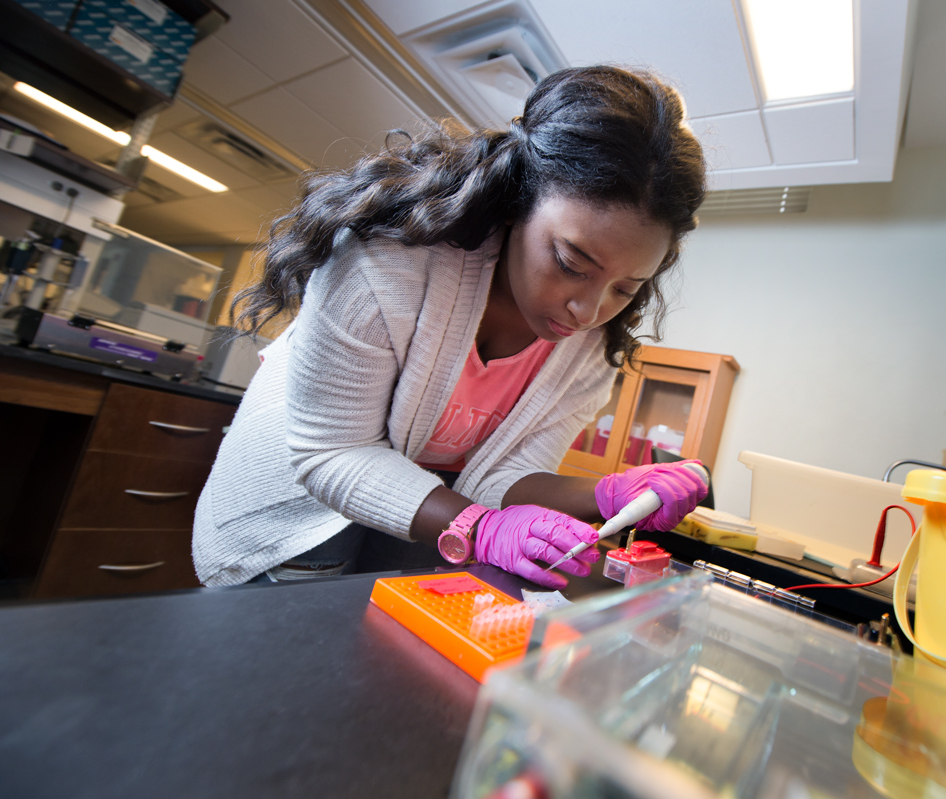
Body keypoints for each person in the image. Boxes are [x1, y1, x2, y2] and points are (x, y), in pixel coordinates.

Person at [192, 65, 710, 590]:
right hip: (298, 507)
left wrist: (604, 495)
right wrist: (479, 528)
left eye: (625, 288)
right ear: (516, 204)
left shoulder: (591, 353)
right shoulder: (385, 264)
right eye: (571, 264)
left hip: (424, 508)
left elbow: (499, 477)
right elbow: (332, 452)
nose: (587, 310)